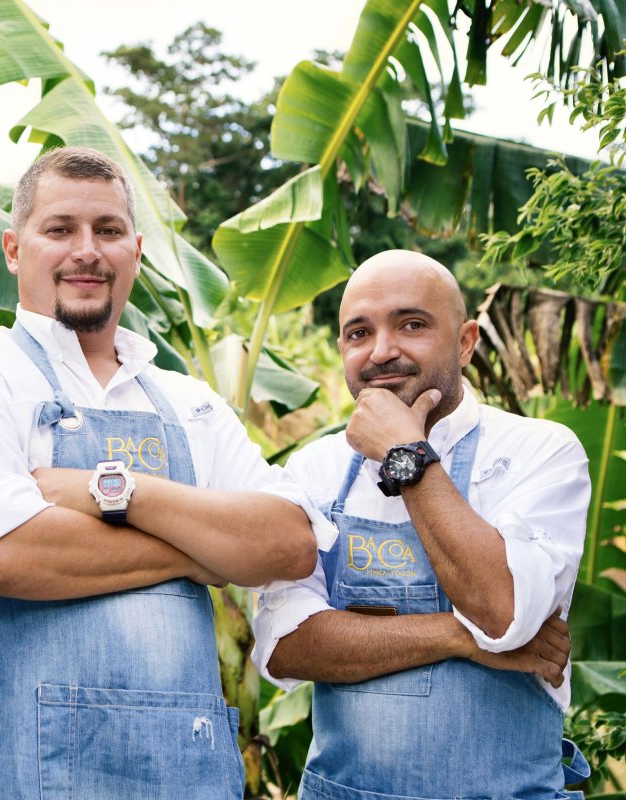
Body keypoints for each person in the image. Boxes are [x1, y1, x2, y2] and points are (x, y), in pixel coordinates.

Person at [0, 145, 326, 799]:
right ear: (15, 250)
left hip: (182, 775)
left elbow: (290, 543)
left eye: (107, 231)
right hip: (12, 771)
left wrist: (120, 493)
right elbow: (0, 554)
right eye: (60, 229)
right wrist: (201, 551)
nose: (87, 251)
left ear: (135, 250)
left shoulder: (191, 404)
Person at [252, 249, 591, 799]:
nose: (382, 352)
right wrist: (462, 638)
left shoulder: (540, 451)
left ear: (465, 341)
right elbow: (286, 646)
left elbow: (502, 611)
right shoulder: (313, 468)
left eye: (412, 324)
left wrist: (404, 453)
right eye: (359, 333)